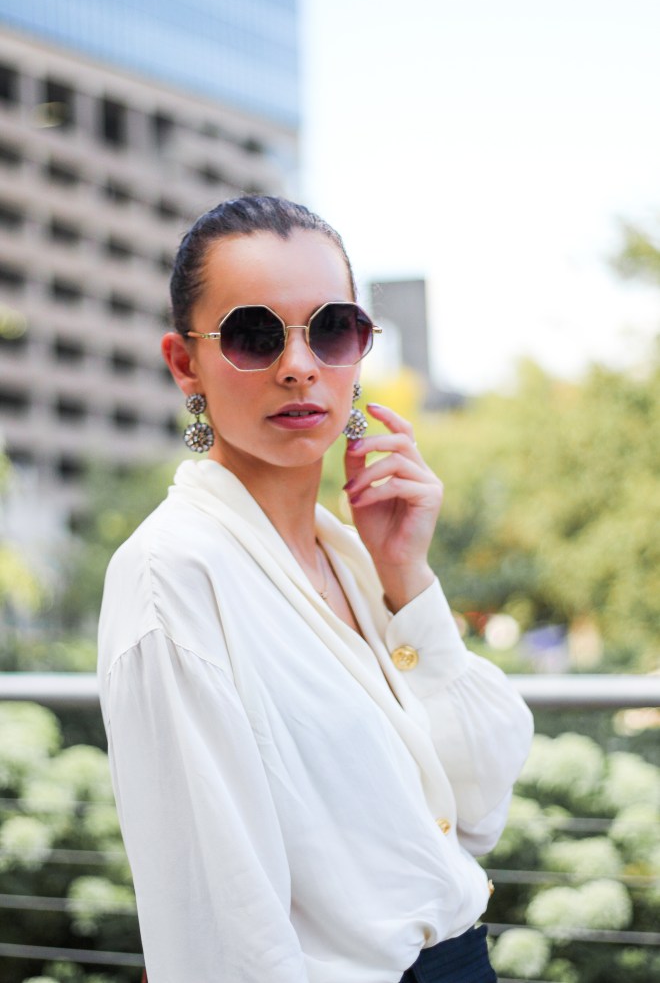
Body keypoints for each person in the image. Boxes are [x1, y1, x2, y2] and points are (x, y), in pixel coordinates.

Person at [97, 195, 533, 983]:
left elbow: (475, 805)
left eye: (331, 328)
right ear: (185, 363)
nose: (299, 364)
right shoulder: (173, 576)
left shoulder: (357, 560)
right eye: (254, 336)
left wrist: (407, 578)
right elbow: (219, 929)